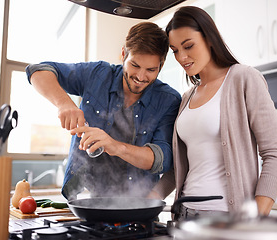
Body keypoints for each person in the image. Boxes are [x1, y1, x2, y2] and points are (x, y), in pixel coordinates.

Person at [149, 6, 277, 219]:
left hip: (227, 219)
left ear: (210, 39)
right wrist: (150, 199)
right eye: (175, 50)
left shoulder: (244, 79)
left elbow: (275, 154)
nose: (182, 57)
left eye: (188, 46)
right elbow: (180, 168)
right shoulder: (186, 97)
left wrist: (255, 219)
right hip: (184, 215)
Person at [25, 22, 181, 200]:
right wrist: (64, 104)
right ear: (123, 54)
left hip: (139, 205)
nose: (140, 76)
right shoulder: (97, 74)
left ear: (161, 66)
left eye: (151, 70)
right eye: (135, 65)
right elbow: (38, 71)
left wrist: (114, 146)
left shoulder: (168, 100)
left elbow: (162, 158)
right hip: (85, 197)